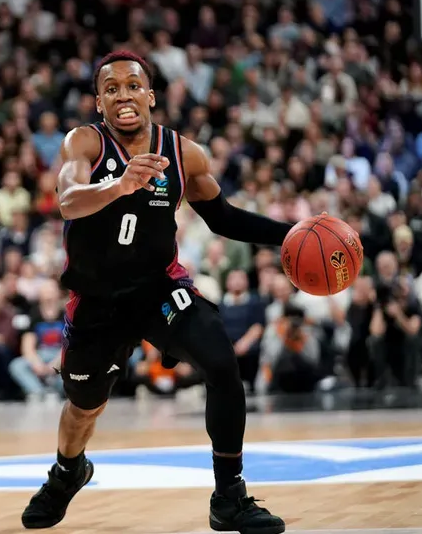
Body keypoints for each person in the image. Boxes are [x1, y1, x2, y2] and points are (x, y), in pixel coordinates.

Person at [20, 51, 288, 534]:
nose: (123, 95)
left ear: (151, 96)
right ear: (99, 103)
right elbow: (68, 201)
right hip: (97, 300)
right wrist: (120, 185)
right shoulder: (84, 142)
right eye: (111, 89)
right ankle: (68, 471)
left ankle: (229, 496)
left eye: (132, 86)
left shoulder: (183, 153)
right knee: (83, 406)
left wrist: (289, 235)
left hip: (158, 287)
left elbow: (224, 218)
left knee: (221, 363)